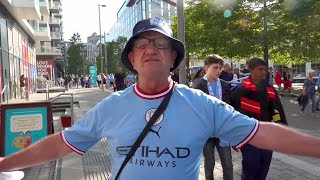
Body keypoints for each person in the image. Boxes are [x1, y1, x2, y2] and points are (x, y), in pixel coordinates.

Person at [1, 17, 320, 180]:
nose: (150, 48)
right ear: (132, 59)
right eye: (141, 44)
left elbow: (262, 132)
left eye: (160, 44)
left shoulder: (202, 105)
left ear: (173, 59)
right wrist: (5, 163)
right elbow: (62, 143)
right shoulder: (112, 106)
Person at [230, 58, 288, 180]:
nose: (263, 72)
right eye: (260, 69)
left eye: (265, 70)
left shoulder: (270, 90)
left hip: (267, 136)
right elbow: (232, 116)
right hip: (248, 136)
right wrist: (233, 138)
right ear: (250, 69)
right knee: (251, 166)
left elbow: (278, 111)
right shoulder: (239, 91)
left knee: (264, 166)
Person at [193, 55, 233, 180]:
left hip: (223, 130)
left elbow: (231, 106)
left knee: (228, 164)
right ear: (206, 68)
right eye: (215, 67)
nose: (219, 70)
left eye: (220, 68)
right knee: (209, 164)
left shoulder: (225, 85)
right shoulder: (198, 86)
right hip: (207, 131)